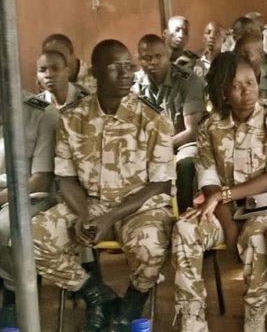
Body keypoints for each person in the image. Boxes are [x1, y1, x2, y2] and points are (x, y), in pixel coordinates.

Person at [32, 39, 175, 331]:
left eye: (129, 66)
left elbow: (160, 184)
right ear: (95, 72)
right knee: (33, 237)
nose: (125, 74)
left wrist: (110, 217)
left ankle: (134, 300)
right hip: (90, 203)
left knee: (151, 246)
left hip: (140, 207)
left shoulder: (152, 116)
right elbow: (66, 178)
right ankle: (97, 295)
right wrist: (85, 215)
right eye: (115, 67)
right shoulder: (73, 117)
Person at [171, 52, 267, 331]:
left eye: (250, 82)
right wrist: (228, 226)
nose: (247, 91)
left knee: (255, 235)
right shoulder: (210, 127)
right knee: (185, 229)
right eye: (236, 86)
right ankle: (192, 320)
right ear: (223, 92)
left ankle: (255, 319)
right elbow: (209, 180)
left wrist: (223, 196)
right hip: (224, 210)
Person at [0, 89, 57, 326]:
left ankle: (14, 296)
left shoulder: (42, 113)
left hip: (29, 194)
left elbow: (41, 179)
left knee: (5, 227)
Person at [133, 34, 205, 213]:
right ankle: (148, 214)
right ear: (139, 60)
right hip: (148, 146)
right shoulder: (135, 87)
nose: (153, 62)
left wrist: (160, 147)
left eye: (158, 56)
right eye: (147, 58)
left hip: (183, 143)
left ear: (167, 54)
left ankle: (185, 214)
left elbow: (192, 130)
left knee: (186, 163)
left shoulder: (188, 80)